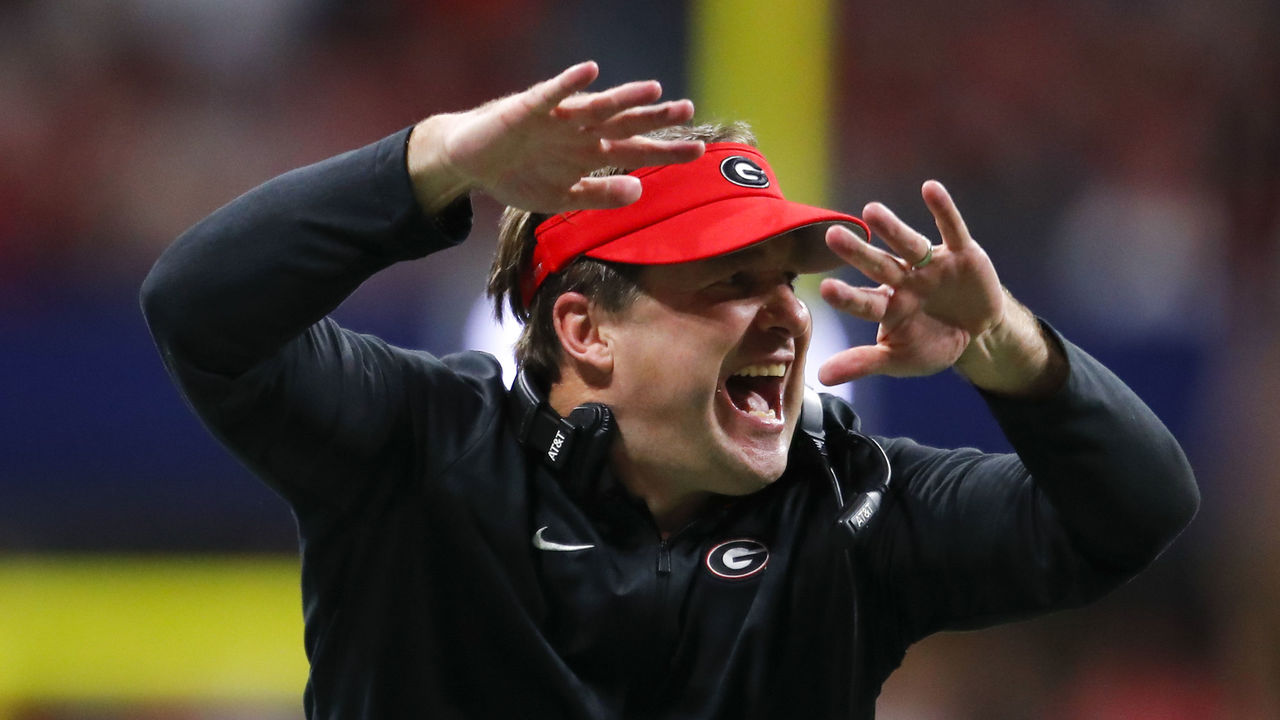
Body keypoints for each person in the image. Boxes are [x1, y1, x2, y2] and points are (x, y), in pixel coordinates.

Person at [141, 62, 1199, 719]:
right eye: (727, 283)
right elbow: (197, 308)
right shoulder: (420, 447)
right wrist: (435, 160)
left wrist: (1004, 345)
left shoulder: (847, 503)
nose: (785, 315)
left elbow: (1138, 509)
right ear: (584, 329)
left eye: (782, 282)